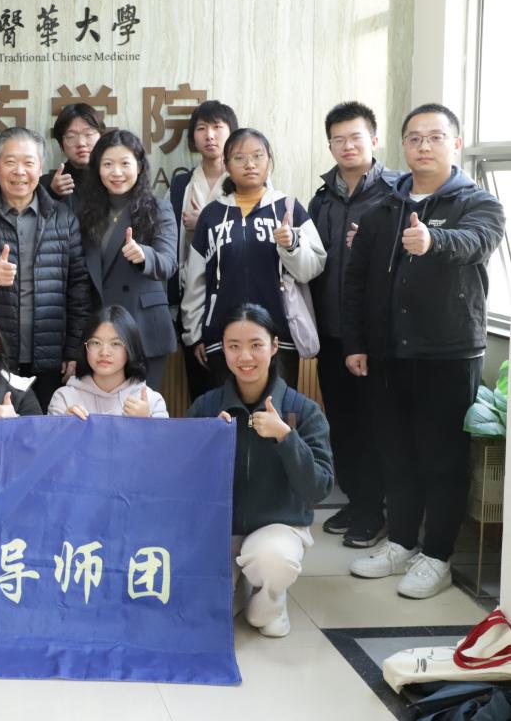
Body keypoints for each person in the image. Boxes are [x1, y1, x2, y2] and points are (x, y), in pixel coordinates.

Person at [345, 104, 505, 599]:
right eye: (414, 138)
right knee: (396, 454)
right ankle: (400, 542)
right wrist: (356, 343)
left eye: (435, 137)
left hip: (449, 353)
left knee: (442, 459)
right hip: (389, 352)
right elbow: (356, 280)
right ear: (403, 146)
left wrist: (434, 240)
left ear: (455, 144)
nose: (423, 146)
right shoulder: (382, 208)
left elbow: (478, 241)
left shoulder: (479, 202)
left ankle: (437, 555)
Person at [188, 304, 333, 638]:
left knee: (272, 563)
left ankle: (270, 597)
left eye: (256, 344)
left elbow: (319, 488)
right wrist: (207, 442)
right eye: (233, 346)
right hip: (220, 530)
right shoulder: (207, 407)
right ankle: (237, 586)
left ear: (274, 345)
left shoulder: (301, 410)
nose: (245, 357)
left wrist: (286, 438)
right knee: (203, 617)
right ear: (223, 349)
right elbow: (182, 481)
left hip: (278, 529)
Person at [0, 126, 91, 410]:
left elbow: (78, 287)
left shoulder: (63, 219)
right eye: (11, 162)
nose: (19, 171)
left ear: (40, 168)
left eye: (28, 162)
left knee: (46, 430)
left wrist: (74, 348)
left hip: (50, 358)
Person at [308, 101, 398, 549]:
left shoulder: (395, 193)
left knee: (374, 425)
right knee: (342, 424)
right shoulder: (321, 198)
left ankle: (373, 511)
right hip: (331, 331)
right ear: (330, 146)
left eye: (355, 137)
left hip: (376, 336)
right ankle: (357, 500)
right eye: (338, 139)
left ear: (373, 140)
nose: (347, 146)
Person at [180, 127, 325, 391]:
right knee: (227, 412)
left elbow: (313, 268)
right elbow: (195, 281)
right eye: (240, 158)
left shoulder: (289, 208)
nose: (250, 164)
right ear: (226, 165)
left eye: (258, 156)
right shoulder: (211, 215)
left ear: (269, 161)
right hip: (222, 337)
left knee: (275, 411)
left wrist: (292, 244)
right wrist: (194, 334)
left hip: (278, 337)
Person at [77, 129, 177, 390]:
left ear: (139, 166)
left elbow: (169, 262)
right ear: (97, 168)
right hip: (99, 330)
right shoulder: (85, 212)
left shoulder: (158, 208)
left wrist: (145, 255)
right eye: (108, 164)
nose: (116, 172)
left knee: (141, 408)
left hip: (143, 327)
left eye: (125, 163)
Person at [168, 100, 238, 401]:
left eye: (218, 127)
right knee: (201, 392)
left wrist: (205, 222)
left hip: (234, 295)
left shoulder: (244, 180)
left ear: (232, 132)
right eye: (201, 128)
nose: (210, 135)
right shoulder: (181, 184)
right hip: (191, 298)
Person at [48, 305, 168, 419]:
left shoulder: (151, 401)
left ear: (131, 347)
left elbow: (162, 435)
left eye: (115, 343)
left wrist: (147, 422)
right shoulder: (64, 398)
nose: (104, 352)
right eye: (96, 342)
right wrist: (65, 425)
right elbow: (51, 434)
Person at [47, 103, 105, 206]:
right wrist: (52, 194)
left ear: (101, 137)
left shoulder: (115, 177)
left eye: (88, 134)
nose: (81, 143)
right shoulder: (48, 185)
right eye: (71, 136)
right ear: (61, 145)